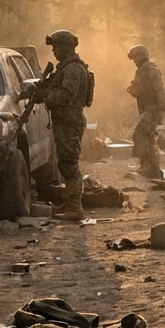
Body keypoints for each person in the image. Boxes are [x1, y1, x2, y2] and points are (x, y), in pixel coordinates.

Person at [37, 30, 93, 220]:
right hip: (66, 122)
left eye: (57, 47)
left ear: (67, 47)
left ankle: (75, 208)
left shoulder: (72, 69)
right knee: (65, 163)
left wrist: (46, 96)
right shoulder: (66, 67)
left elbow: (66, 96)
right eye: (53, 47)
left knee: (69, 165)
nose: (54, 50)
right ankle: (70, 203)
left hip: (70, 122)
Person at [126, 44, 165, 180]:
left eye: (135, 58)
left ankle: (150, 167)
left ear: (141, 55)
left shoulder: (151, 70)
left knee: (139, 134)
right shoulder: (141, 71)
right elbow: (143, 90)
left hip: (152, 109)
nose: (134, 61)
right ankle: (149, 167)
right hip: (146, 108)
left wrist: (161, 109)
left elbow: (159, 89)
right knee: (147, 138)